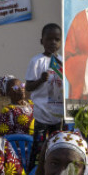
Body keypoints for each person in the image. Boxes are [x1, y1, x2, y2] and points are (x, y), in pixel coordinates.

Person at [26, 23, 65, 151]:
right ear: (42, 41)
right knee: (39, 148)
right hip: (42, 113)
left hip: (58, 114)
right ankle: (35, 169)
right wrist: (41, 80)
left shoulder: (63, 61)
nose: (53, 42)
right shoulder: (36, 61)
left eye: (57, 39)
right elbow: (28, 86)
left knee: (58, 146)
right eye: (49, 39)